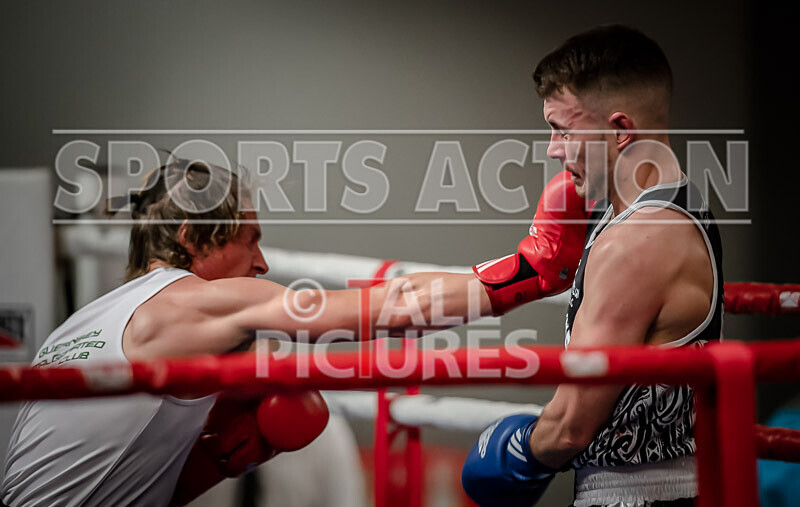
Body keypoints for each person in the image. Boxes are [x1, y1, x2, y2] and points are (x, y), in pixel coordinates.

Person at [1, 155, 587, 506]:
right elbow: (387, 307)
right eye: (249, 239)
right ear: (192, 237)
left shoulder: (80, 324)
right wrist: (527, 275)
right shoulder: (191, 304)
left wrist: (220, 460)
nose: (261, 263)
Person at [461, 25, 724, 507]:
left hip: (640, 496)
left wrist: (518, 451)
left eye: (564, 130)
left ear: (621, 131)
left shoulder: (639, 242)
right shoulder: (653, 207)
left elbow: (570, 427)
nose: (552, 148)